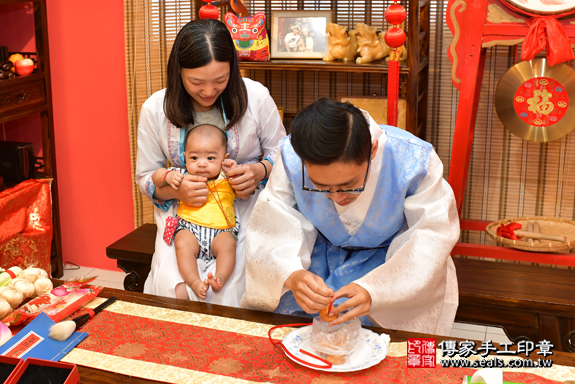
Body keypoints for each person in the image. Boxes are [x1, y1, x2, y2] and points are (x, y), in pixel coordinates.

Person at [241, 98, 460, 336]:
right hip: (317, 257)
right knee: (291, 332)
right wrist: (290, 273)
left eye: (349, 185)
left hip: (390, 262)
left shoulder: (414, 159)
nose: (336, 197)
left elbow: (431, 234)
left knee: (392, 343)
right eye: (321, 186)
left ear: (373, 150)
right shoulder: (292, 156)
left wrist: (378, 290)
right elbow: (274, 221)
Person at [136, 19, 286, 306]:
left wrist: (259, 171)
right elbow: (145, 177)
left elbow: (283, 152)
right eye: (196, 82)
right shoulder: (156, 108)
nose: (208, 91)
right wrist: (176, 190)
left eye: (220, 80)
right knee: (174, 290)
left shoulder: (255, 97)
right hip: (183, 216)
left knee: (231, 294)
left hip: (244, 212)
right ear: (177, 72)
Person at [152, 125, 239, 299]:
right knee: (182, 244)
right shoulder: (182, 175)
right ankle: (194, 281)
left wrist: (232, 168)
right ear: (185, 157)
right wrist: (167, 177)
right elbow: (156, 176)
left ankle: (219, 277)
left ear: (224, 158)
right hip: (189, 228)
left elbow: (244, 184)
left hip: (220, 231)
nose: (201, 163)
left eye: (211, 157)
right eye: (194, 157)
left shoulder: (226, 175)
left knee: (228, 245)